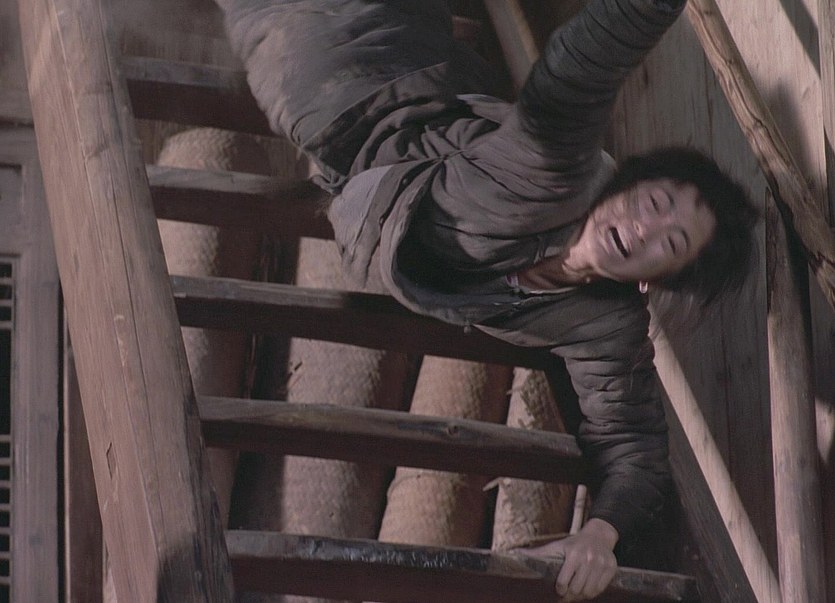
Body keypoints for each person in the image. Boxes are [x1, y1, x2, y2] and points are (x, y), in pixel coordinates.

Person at [218, 0, 757, 599]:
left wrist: (599, 534)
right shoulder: (546, 175)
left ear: (658, 279)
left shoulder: (603, 322)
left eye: (670, 243)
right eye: (654, 204)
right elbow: (576, 73)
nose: (643, 229)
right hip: (344, 67)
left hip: (382, 77)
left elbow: (634, 449)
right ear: (620, 184)